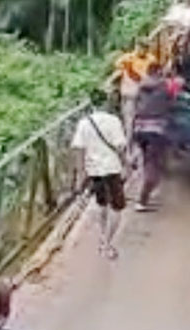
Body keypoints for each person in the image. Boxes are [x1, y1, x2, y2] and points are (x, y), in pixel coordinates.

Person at [71, 89, 127, 259]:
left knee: (101, 204)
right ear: (106, 102)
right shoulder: (113, 121)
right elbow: (120, 146)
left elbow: (78, 148)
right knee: (117, 207)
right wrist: (126, 164)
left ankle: (102, 234)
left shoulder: (83, 123)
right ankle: (107, 243)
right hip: (112, 168)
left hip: (94, 170)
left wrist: (81, 172)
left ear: (91, 104)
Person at [133, 62, 171, 211]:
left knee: (146, 160)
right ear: (158, 72)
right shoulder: (164, 86)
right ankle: (142, 200)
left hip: (139, 129)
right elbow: (170, 101)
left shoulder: (141, 85)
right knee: (153, 165)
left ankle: (146, 188)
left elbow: (137, 104)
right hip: (156, 130)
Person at [114, 40, 156, 139]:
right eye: (140, 48)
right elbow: (118, 65)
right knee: (129, 118)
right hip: (130, 93)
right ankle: (129, 140)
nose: (142, 50)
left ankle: (135, 139)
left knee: (140, 119)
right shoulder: (127, 58)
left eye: (144, 48)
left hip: (144, 93)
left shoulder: (151, 59)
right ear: (136, 47)